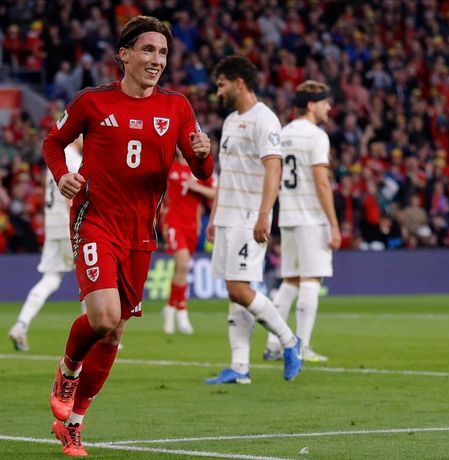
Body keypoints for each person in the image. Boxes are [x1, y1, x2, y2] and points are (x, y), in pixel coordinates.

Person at [43, 16, 214, 457]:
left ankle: (73, 425)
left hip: (140, 232)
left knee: (114, 334)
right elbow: (53, 142)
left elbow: (200, 170)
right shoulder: (93, 101)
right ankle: (67, 369)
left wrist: (203, 155)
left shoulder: (177, 107)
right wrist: (62, 175)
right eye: (147, 50)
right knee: (102, 318)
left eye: (163, 52)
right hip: (96, 220)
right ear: (124, 54)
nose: (156, 60)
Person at [204, 55, 302, 385]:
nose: (218, 92)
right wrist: (214, 215)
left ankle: (289, 340)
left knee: (239, 288)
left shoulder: (265, 119)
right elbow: (225, 173)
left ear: (239, 83)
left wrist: (264, 215)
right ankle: (240, 367)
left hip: (249, 217)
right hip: (227, 215)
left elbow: (273, 169)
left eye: (222, 85)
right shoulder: (231, 121)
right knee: (233, 292)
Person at [264, 80, 341, 363]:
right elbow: (321, 182)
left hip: (288, 215)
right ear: (311, 104)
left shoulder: (282, 134)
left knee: (290, 281)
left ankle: (274, 344)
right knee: (311, 279)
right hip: (311, 217)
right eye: (324, 102)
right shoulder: (317, 136)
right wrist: (334, 224)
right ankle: (302, 345)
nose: (329, 107)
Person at [8, 136, 83, 351]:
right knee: (90, 277)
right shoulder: (74, 159)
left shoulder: (57, 157)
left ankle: (21, 325)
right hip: (69, 224)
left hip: (53, 225)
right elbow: (71, 197)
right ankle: (97, 335)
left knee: (51, 278)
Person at [161, 152, 215, 335]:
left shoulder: (199, 169)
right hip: (173, 222)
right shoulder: (169, 167)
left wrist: (196, 187)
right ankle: (179, 311)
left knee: (181, 269)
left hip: (192, 226)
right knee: (183, 263)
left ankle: (172, 307)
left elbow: (215, 193)